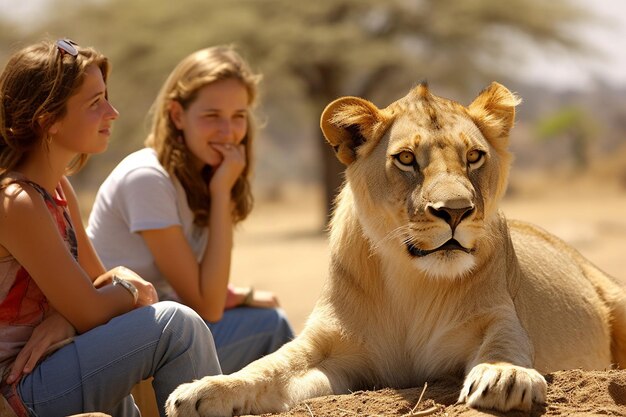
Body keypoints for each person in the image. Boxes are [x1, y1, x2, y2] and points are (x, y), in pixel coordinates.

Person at [0, 39, 221, 417]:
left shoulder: (57, 188)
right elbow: (95, 304)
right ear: (47, 120)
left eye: (107, 96)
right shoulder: (16, 201)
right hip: (18, 387)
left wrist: (69, 318)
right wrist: (126, 287)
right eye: (94, 103)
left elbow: (98, 286)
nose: (112, 111)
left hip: (51, 366)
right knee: (175, 326)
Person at [87, 45, 293, 374]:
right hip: (116, 351)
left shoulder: (198, 176)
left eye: (238, 116)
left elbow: (196, 289)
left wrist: (241, 295)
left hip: (155, 334)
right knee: (271, 326)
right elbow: (206, 306)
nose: (228, 132)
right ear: (177, 115)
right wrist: (222, 192)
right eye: (212, 116)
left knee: (268, 319)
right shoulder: (148, 177)